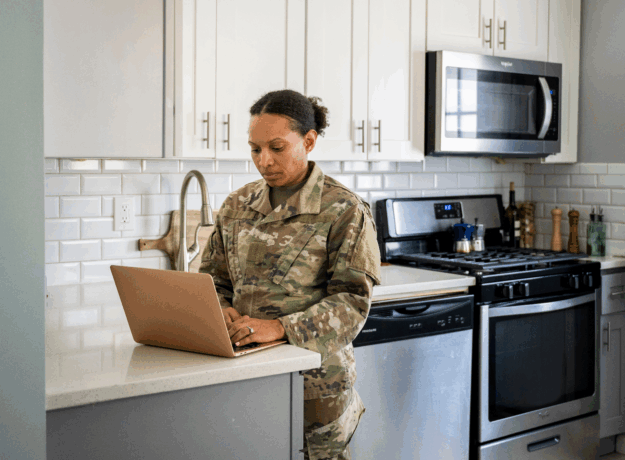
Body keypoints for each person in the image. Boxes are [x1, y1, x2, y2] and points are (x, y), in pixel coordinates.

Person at [198, 89, 381, 460]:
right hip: (244, 376)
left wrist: (280, 327)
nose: (263, 160)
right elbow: (213, 278)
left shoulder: (344, 209)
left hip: (315, 385)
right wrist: (219, 309)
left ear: (309, 141)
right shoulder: (236, 205)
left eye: (276, 147)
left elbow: (352, 303)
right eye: (255, 149)